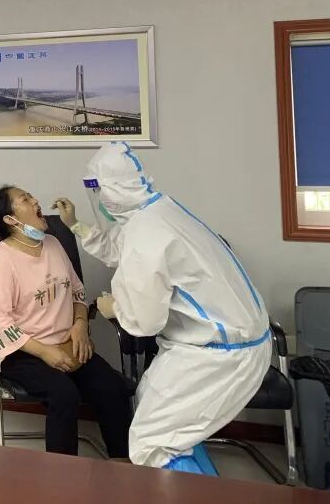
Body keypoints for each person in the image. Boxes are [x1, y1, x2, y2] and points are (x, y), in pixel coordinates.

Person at [57, 142, 271, 475]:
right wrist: (76, 225)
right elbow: (119, 247)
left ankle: (188, 490)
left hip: (219, 354)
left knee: (153, 442)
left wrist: (115, 307)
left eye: (97, 191)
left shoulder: (146, 234)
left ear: (109, 190)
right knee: (152, 405)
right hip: (217, 341)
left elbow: (144, 322)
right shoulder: (157, 211)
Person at [0, 185, 132, 459]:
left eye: (31, 195)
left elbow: (77, 291)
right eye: (25, 199)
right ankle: (62, 476)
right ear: (10, 219)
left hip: (69, 343)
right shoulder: (2, 260)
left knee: (113, 388)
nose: (35, 200)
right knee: (64, 395)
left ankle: (123, 464)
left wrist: (80, 325)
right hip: (26, 352)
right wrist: (44, 352)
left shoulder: (52, 243)